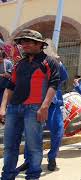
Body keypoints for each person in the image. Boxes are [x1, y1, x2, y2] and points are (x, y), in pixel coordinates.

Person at [0, 29, 60, 180]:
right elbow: (10, 85)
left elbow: (53, 85)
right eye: (22, 42)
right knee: (9, 147)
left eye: (27, 41)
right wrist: (2, 108)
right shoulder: (19, 64)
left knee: (34, 147)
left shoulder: (50, 62)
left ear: (39, 44)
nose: (23, 45)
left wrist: (44, 106)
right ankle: (6, 176)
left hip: (34, 108)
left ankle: (32, 176)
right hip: (13, 109)